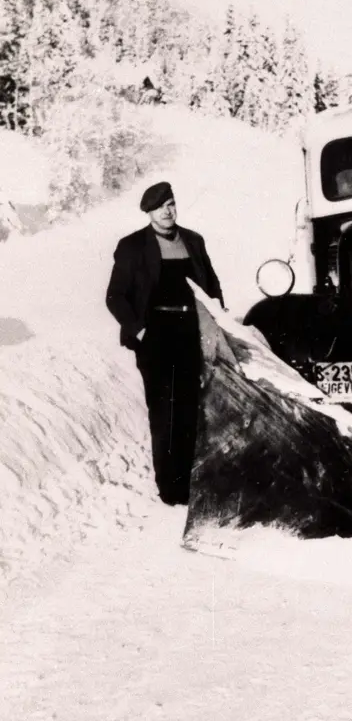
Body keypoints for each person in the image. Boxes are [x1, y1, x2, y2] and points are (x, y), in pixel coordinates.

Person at [106, 181, 224, 505]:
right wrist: (140, 331)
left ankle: (189, 483)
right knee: (164, 411)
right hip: (156, 337)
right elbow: (115, 296)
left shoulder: (194, 241)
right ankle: (170, 490)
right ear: (149, 212)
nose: (168, 211)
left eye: (171, 204)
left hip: (190, 333)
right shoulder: (132, 246)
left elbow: (212, 287)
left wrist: (216, 326)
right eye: (161, 207)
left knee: (189, 408)